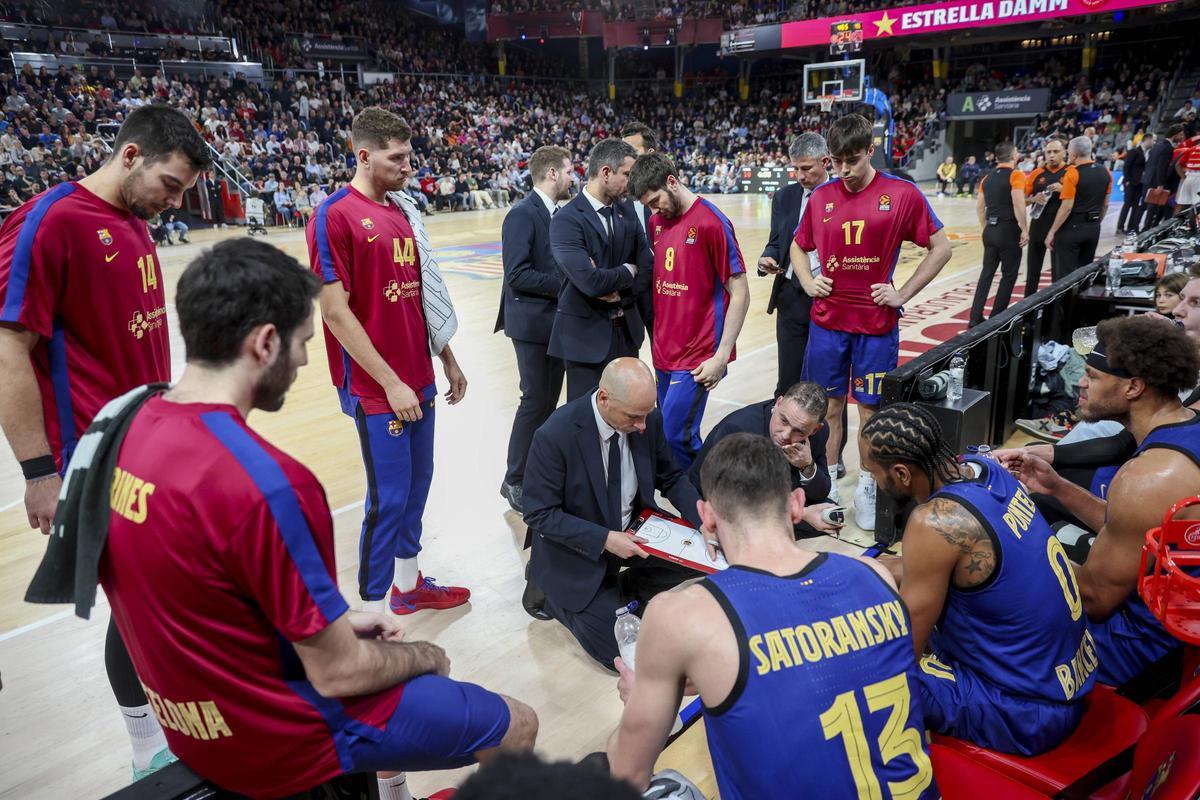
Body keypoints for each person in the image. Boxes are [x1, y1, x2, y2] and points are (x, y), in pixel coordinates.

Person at [96, 239, 537, 798]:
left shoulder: (122, 427)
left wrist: (327, 623)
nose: (306, 361)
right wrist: (424, 655)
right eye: (304, 344)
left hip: (190, 726)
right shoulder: (269, 481)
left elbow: (204, 587)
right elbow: (339, 674)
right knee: (516, 722)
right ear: (265, 343)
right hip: (277, 734)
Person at [0, 104, 209, 779]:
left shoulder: (134, 220)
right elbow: (7, 351)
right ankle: (147, 745)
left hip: (146, 438)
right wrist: (38, 471)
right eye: (171, 185)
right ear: (129, 157)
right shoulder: (49, 221)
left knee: (160, 589)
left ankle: (171, 726)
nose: (174, 202)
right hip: (91, 454)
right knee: (138, 599)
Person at [606, 433, 937, 799]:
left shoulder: (680, 615)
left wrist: (637, 700)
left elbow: (627, 776)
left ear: (707, 517)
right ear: (797, 505)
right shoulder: (875, 576)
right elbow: (824, 660)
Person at [307, 108, 470, 616]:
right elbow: (334, 313)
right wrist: (391, 383)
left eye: (408, 154)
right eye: (396, 157)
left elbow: (420, 298)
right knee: (388, 498)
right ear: (364, 155)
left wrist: (448, 358)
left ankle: (407, 586)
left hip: (418, 375)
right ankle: (370, 619)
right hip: (379, 389)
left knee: (418, 487)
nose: (407, 165)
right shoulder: (333, 215)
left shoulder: (402, 212)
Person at [859, 404, 1096, 755]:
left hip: (1023, 711)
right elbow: (927, 566)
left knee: (858, 670)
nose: (871, 480)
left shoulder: (934, 523)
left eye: (871, 472)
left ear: (901, 474)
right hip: (1068, 677)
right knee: (878, 575)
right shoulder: (987, 469)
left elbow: (902, 653)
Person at [1000, 315, 1200, 685]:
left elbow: (1093, 598)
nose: (1080, 382)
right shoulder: (1189, 427)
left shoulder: (1149, 477)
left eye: (1093, 376)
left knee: (984, 613)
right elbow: (1137, 528)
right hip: (1179, 629)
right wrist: (1057, 487)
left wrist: (1002, 554)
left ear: (1133, 387)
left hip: (1139, 648)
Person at [790, 113, 951, 531]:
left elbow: (941, 247)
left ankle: (867, 483)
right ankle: (826, 480)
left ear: (870, 150)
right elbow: (797, 245)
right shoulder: (822, 197)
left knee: (871, 411)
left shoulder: (901, 194)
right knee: (828, 407)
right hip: (828, 321)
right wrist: (808, 280)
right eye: (837, 161)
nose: (844, 170)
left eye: (852, 160)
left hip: (876, 324)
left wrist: (902, 293)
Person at [523, 358, 702, 669]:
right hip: (578, 548)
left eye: (647, 414)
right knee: (620, 653)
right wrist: (604, 539)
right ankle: (550, 592)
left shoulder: (648, 419)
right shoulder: (554, 435)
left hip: (635, 530)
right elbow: (539, 513)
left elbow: (671, 477)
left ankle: (622, 591)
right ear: (604, 398)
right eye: (634, 417)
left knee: (703, 555)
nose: (643, 426)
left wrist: (705, 522)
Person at [628, 152, 750, 469]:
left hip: (697, 356)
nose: (654, 210)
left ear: (672, 182)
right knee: (663, 434)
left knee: (675, 436)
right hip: (664, 352)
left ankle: (709, 498)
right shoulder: (656, 223)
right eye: (648, 206)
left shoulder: (712, 221)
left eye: (656, 201)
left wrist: (721, 357)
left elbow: (739, 292)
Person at [497, 146, 572, 516]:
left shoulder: (555, 213)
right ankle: (514, 479)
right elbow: (517, 274)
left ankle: (533, 472)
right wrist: (567, 282)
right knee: (534, 401)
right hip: (530, 324)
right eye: (570, 171)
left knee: (545, 401)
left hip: (552, 323)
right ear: (553, 174)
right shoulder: (522, 214)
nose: (573, 178)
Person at [548, 139, 653, 401]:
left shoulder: (627, 212)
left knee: (628, 412)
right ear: (606, 172)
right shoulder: (566, 219)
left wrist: (617, 290)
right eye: (628, 175)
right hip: (585, 340)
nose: (633, 182)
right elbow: (591, 282)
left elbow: (647, 268)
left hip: (627, 333)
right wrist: (628, 271)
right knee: (585, 419)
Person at [688, 381, 840, 539]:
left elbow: (820, 492)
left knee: (828, 513)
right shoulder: (738, 430)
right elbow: (729, 497)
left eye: (799, 431)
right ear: (779, 403)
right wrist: (801, 513)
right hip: (725, 499)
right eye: (784, 421)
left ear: (815, 429)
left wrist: (807, 466)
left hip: (771, 495)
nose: (786, 435)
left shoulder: (819, 434)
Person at [759, 133, 830, 398]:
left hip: (827, 296)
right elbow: (776, 241)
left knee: (825, 383)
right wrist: (767, 257)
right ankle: (782, 437)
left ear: (825, 162)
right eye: (795, 169)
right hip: (790, 295)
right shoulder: (784, 197)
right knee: (787, 381)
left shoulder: (842, 195)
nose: (800, 176)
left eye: (806, 168)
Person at [969, 142, 1028, 327]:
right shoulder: (1016, 174)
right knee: (1009, 275)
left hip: (990, 230)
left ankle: (975, 317)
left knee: (986, 273)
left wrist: (986, 226)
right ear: (1013, 156)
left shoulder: (987, 177)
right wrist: (1025, 229)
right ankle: (997, 318)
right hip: (1008, 229)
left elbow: (979, 207)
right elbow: (1018, 203)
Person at [1045, 136, 1112, 276]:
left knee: (1064, 278)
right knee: (1085, 274)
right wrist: (1096, 222)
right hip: (1093, 228)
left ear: (1074, 155)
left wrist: (1052, 231)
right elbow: (1105, 205)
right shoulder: (1105, 172)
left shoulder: (1073, 173)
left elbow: (1066, 207)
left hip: (1072, 229)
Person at [620, 121, 658, 345]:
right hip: (631, 289)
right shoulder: (617, 195)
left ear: (649, 153)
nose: (625, 157)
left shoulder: (668, 196)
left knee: (664, 353)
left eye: (632, 151)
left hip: (665, 286)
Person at [1024, 138, 1068, 297]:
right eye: (1049, 152)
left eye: (1056, 152)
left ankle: (1056, 313)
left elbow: (1080, 199)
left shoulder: (1071, 172)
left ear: (1064, 153)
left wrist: (1064, 189)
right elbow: (1023, 200)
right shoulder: (1037, 173)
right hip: (1038, 226)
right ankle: (1027, 316)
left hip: (1060, 229)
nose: (1052, 155)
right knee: (1032, 274)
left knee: (1059, 275)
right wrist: (1032, 199)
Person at [1142, 125, 1185, 231]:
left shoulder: (1158, 145)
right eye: (1180, 135)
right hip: (1157, 183)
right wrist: (1161, 184)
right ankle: (1146, 234)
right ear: (1175, 135)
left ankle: (1145, 231)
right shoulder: (1167, 148)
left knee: (1150, 211)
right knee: (1153, 211)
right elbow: (1162, 167)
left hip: (1149, 180)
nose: (1182, 137)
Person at [1118, 133, 1153, 235]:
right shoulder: (1134, 151)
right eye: (1152, 140)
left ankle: (1131, 227)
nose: (1153, 142)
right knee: (1127, 204)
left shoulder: (1148, 153)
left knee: (1136, 206)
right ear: (1146, 140)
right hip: (1131, 182)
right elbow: (1126, 166)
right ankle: (1120, 226)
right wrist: (1127, 180)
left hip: (1140, 183)